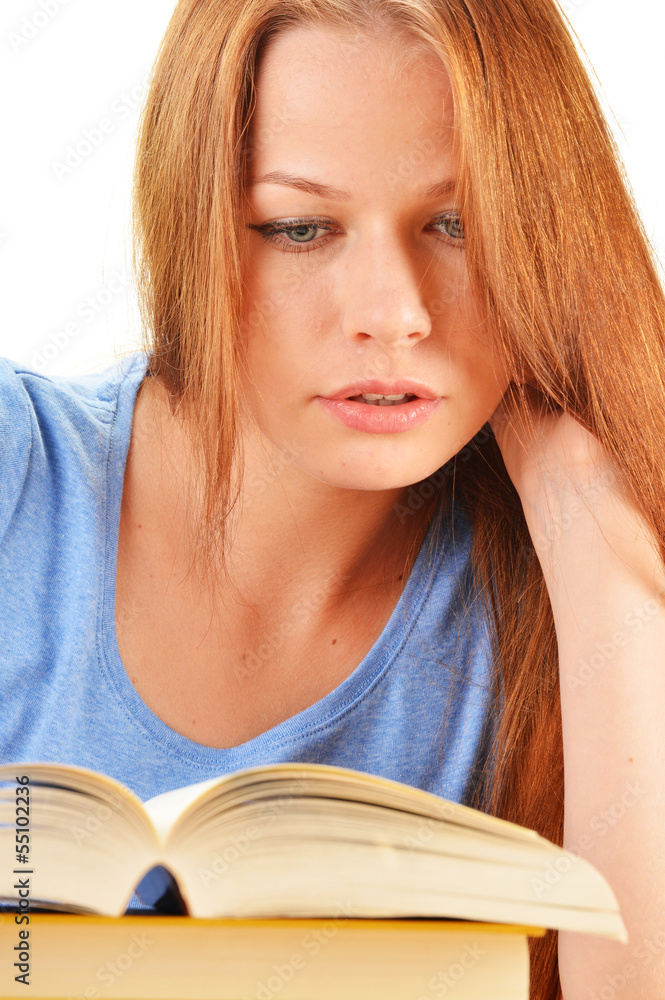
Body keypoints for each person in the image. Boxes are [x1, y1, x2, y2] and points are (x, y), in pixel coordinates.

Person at [1, 0, 664, 997]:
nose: (391, 312)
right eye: (299, 227)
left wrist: (592, 540)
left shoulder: (563, 593)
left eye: (456, 223)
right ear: (193, 228)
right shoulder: (24, 470)